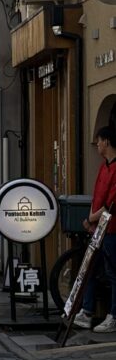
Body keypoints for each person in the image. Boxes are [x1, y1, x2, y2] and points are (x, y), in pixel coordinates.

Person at [74, 125, 116, 332]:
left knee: (112, 272)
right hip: (99, 227)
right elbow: (97, 195)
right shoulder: (103, 166)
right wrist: (90, 220)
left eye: (99, 141)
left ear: (107, 142)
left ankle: (113, 316)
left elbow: (111, 202)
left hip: (112, 228)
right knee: (89, 268)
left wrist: (92, 217)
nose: (97, 144)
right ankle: (87, 311)